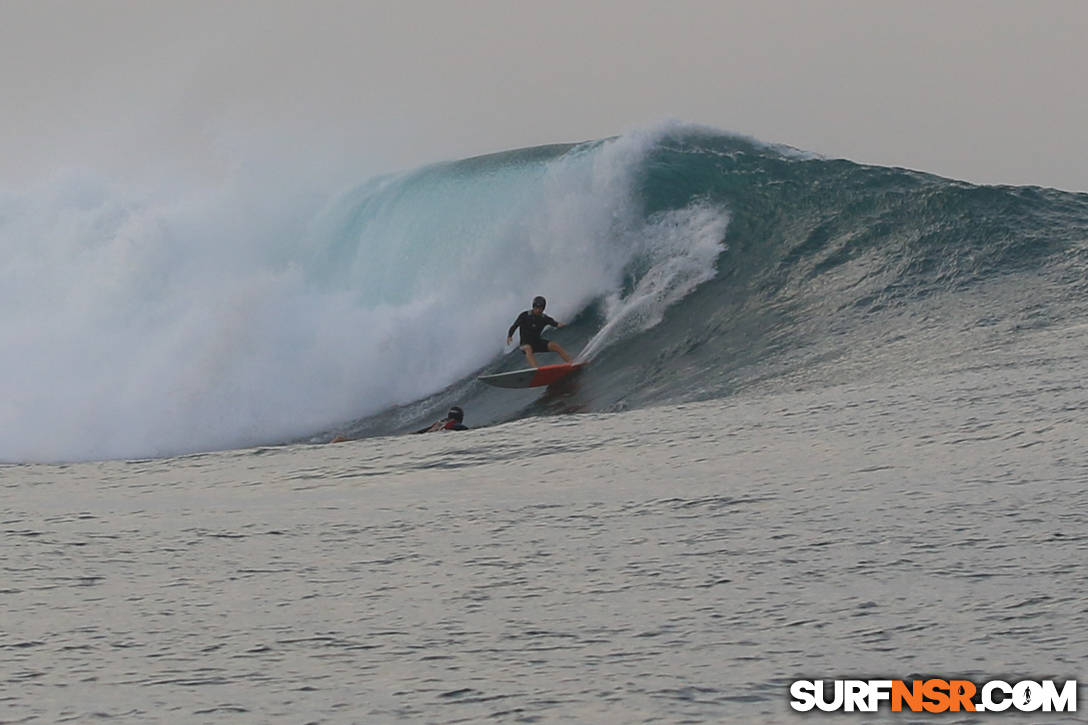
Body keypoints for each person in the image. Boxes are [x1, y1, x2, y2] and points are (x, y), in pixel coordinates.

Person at [506, 296, 573, 368]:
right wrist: (510, 336)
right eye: (536, 308)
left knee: (554, 345)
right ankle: (536, 369)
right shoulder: (524, 315)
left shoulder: (544, 318)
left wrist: (563, 324)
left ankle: (571, 363)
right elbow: (514, 326)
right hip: (524, 344)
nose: (538, 310)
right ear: (533, 306)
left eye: (540, 308)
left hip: (537, 343)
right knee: (528, 348)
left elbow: (556, 324)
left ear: (543, 308)